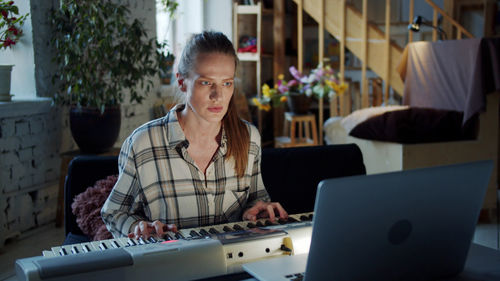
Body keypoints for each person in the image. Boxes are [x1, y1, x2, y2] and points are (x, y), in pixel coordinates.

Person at [101, 31, 288, 240]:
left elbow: (256, 198)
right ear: (182, 82)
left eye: (227, 83)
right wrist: (136, 226)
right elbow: (114, 213)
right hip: (171, 263)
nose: (218, 96)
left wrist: (258, 211)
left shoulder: (249, 137)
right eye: (206, 83)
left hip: (234, 261)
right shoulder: (143, 143)